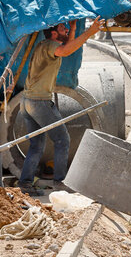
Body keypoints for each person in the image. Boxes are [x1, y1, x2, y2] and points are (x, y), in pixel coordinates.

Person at [17, 16, 104, 196]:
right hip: (39, 102)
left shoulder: (44, 46)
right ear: (54, 33)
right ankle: (59, 182)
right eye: (63, 28)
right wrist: (90, 32)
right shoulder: (50, 45)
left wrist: (72, 30)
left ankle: (25, 183)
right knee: (62, 140)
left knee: (37, 144)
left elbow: (67, 49)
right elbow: (65, 51)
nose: (66, 29)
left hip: (26, 102)